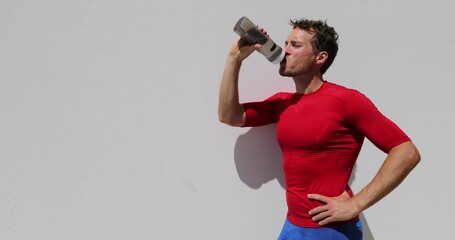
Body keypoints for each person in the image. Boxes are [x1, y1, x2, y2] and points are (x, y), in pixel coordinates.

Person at [218, 18, 421, 240]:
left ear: (320, 57)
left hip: (330, 231)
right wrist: (234, 58)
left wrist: (356, 204)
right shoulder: (282, 104)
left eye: (295, 45)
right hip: (292, 225)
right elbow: (229, 116)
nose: (285, 50)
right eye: (286, 43)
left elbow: (406, 151)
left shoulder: (347, 100)